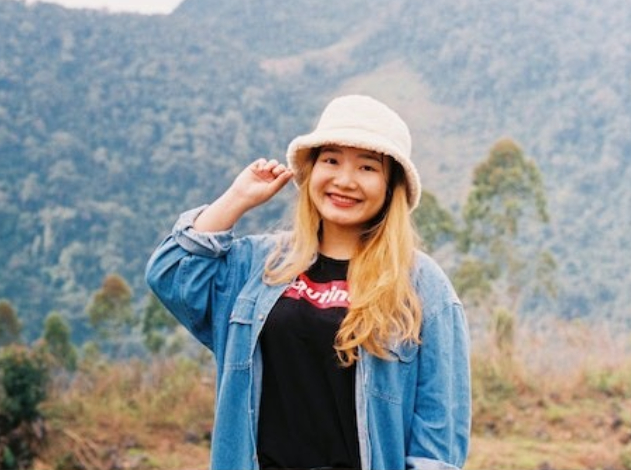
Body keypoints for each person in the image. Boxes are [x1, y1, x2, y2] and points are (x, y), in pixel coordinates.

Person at [145, 94, 471, 470]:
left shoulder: (422, 285)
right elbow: (171, 273)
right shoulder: (257, 265)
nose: (344, 181)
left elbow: (438, 439)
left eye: (367, 168)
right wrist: (236, 199)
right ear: (311, 170)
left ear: (390, 186)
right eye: (331, 160)